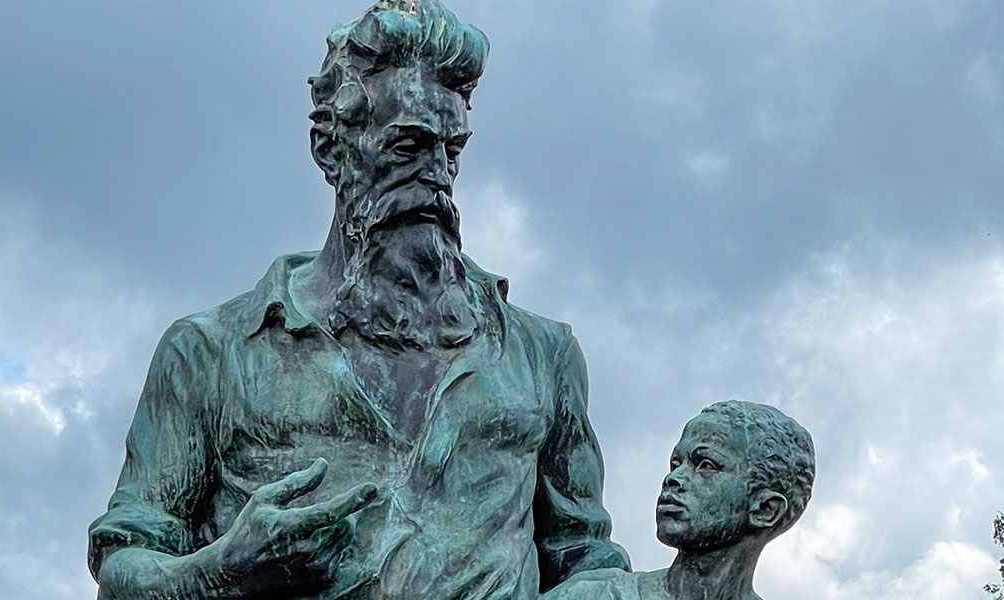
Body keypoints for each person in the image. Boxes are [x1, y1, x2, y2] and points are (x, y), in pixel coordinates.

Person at [87, 1, 628, 598]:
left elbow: (585, 559)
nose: (437, 177)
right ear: (330, 149)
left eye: (451, 151)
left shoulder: (540, 354)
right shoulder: (209, 353)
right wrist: (222, 570)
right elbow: (124, 567)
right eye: (407, 148)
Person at [544, 401, 815, 600]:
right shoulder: (595, 595)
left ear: (766, 509)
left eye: (706, 465)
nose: (674, 478)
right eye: (676, 463)